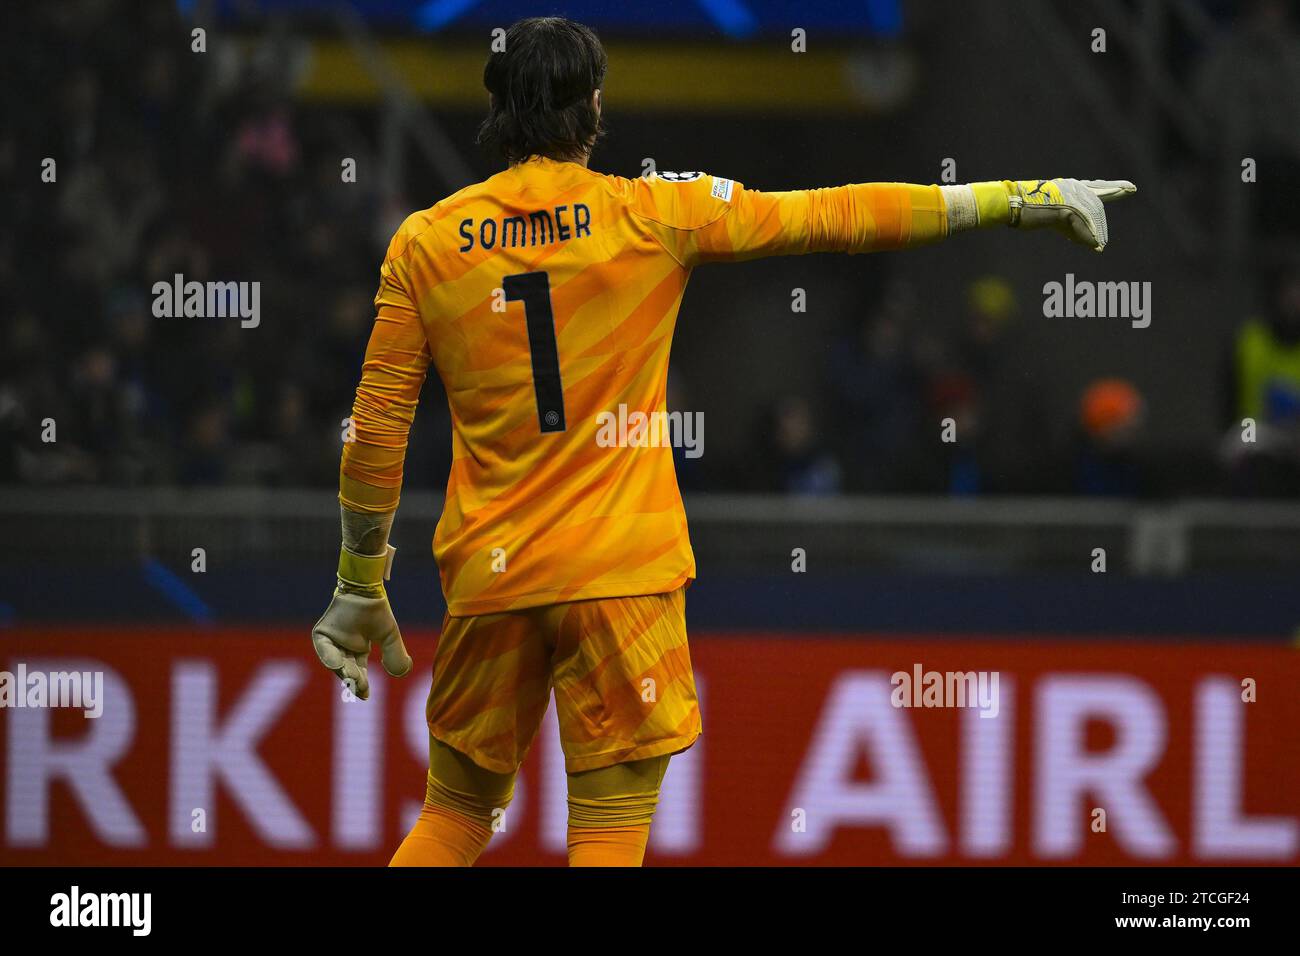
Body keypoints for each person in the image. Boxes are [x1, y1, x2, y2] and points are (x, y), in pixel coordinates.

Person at [309, 16, 1135, 867]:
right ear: (593, 107)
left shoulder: (426, 242)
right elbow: (837, 215)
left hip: (492, 576)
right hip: (621, 575)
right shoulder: (656, 213)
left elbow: (376, 427)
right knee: (606, 832)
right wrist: (1019, 199)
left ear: (496, 110)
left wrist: (358, 582)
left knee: (453, 819)